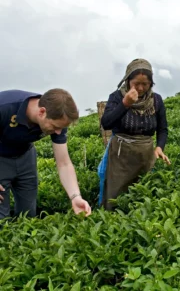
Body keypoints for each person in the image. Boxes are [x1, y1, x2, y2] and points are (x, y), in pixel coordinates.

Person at [0, 88, 92, 220]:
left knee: (28, 216)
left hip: (25, 156)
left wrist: (75, 196)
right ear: (42, 112)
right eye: (55, 127)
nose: (58, 132)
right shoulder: (5, 107)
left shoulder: (59, 117)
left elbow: (64, 163)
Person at [100, 58, 170, 210]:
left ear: (151, 83)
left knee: (142, 194)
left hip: (145, 155)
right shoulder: (117, 97)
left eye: (145, 84)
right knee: (116, 195)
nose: (140, 88)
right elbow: (106, 123)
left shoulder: (156, 100)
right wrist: (125, 104)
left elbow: (163, 128)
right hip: (121, 155)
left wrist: (159, 148)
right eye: (136, 83)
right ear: (127, 81)